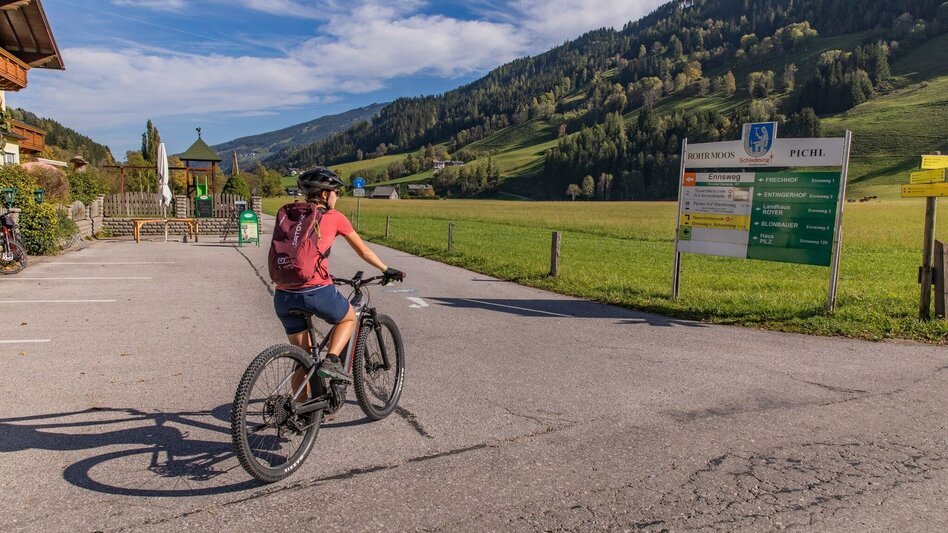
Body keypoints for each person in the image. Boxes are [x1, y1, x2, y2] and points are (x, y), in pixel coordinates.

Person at [273, 167, 404, 383]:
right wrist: (385, 269)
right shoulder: (334, 217)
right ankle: (332, 360)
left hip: (283, 295)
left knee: (303, 361)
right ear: (325, 194)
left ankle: (300, 413)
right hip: (314, 290)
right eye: (337, 192)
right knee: (349, 317)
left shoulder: (291, 215)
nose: (338, 196)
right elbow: (364, 251)